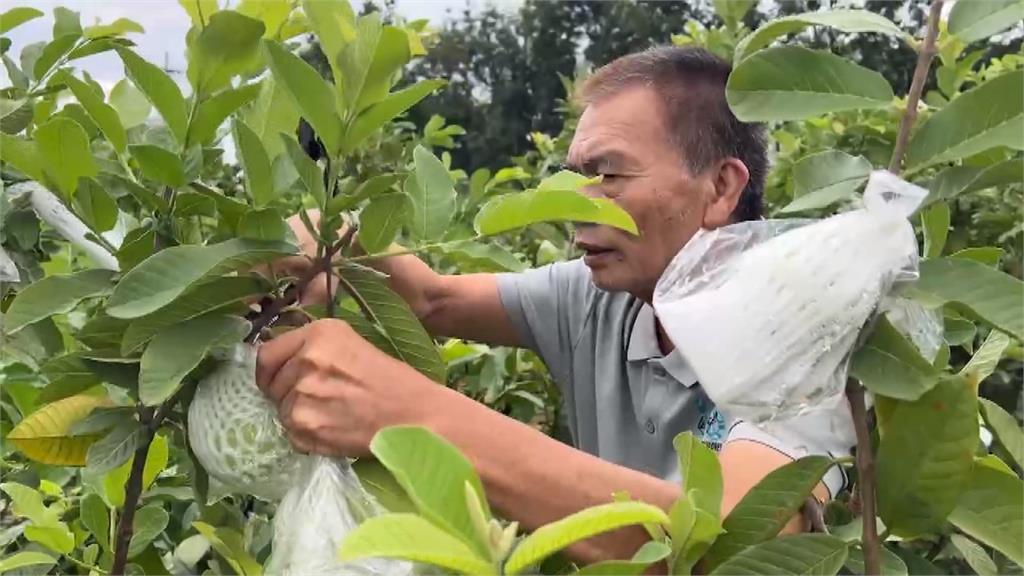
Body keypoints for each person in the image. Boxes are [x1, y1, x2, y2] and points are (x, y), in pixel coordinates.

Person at [255, 46, 849, 563]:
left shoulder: (803, 332)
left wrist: (405, 414)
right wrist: (334, 240)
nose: (575, 206)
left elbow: (725, 546)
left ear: (720, 187)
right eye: (573, 179)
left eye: (608, 175)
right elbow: (432, 299)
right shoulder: (595, 297)